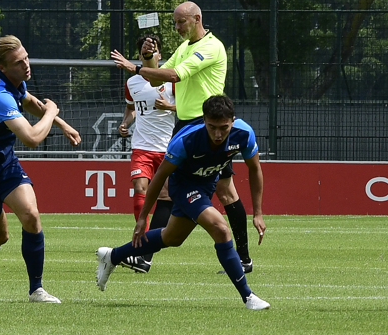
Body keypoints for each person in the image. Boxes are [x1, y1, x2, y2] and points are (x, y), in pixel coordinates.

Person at [111, 1, 255, 274]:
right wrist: (150, 59)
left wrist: (136, 68)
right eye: (175, 23)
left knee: (211, 191)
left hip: (207, 126)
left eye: (181, 22)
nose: (177, 28)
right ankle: (242, 260)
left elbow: (176, 74)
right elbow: (158, 81)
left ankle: (145, 256)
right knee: (219, 192)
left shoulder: (210, 47)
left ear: (197, 18)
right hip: (188, 125)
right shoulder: (185, 47)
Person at [95, 95, 270, 310]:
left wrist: (258, 213)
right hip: (183, 185)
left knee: (171, 237)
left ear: (232, 121)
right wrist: (143, 218)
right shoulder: (186, 140)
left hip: (207, 184)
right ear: (204, 120)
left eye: (223, 128)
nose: (217, 134)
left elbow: (255, 169)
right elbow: (159, 177)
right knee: (221, 229)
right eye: (212, 127)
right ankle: (248, 297)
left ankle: (113, 255)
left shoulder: (244, 133)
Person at [0, 35, 81, 303]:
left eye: (26, 57)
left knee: (31, 216)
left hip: (3, 163)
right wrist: (51, 112)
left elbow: (30, 101)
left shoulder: (15, 83)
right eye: (18, 62)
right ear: (1, 68)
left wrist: (61, 123)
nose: (26, 65)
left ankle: (37, 289)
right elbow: (32, 139)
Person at [117, 35, 176, 273]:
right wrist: (125, 123)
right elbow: (131, 108)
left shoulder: (173, 80)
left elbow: (190, 108)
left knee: (165, 198)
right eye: (143, 51)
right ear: (139, 57)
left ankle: (145, 253)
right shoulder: (132, 83)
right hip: (141, 146)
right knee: (140, 188)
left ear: (159, 56)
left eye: (152, 50)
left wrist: (170, 107)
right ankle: (141, 238)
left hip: (167, 147)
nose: (147, 53)